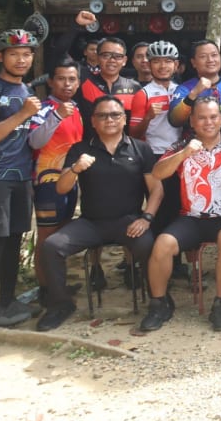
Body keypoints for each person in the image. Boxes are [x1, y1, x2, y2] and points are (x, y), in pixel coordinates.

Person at [36, 95, 163, 331]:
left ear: (124, 119)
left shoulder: (140, 148)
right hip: (91, 223)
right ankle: (60, 304)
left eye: (115, 115)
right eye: (102, 116)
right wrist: (75, 169)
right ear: (93, 121)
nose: (109, 120)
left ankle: (158, 303)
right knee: (52, 246)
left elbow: (156, 190)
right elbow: (61, 188)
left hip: (128, 222)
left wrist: (146, 218)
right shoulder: (80, 149)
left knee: (149, 245)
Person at [141, 97, 221, 332]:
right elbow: (158, 173)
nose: (208, 122)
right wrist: (183, 154)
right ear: (192, 121)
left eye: (213, 117)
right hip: (191, 217)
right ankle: (159, 304)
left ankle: (220, 305)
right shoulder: (181, 146)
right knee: (162, 244)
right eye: (201, 117)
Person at [0, 30, 43, 329]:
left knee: (14, 240)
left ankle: (8, 301)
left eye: (26, 54)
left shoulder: (26, 90)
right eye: (14, 54)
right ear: (0, 56)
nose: (21, 59)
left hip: (21, 177)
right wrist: (23, 114)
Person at [28, 58, 84, 304]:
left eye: (72, 79)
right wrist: (57, 116)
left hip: (69, 180)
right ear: (51, 81)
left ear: (79, 82)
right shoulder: (43, 109)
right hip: (47, 182)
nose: (67, 84)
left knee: (60, 234)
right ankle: (45, 289)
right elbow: (35, 142)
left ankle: (57, 285)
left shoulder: (76, 109)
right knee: (47, 237)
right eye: (61, 79)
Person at [130, 41, 183, 233]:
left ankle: (176, 249)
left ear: (176, 65)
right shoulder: (143, 94)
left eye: (168, 61)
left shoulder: (181, 91)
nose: (163, 66)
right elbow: (133, 134)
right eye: (157, 61)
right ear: (149, 64)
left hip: (179, 154)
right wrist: (148, 117)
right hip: (153, 154)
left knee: (179, 204)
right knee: (159, 207)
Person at [168, 40, 221, 137]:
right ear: (193, 62)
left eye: (214, 55)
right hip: (195, 145)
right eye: (203, 56)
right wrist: (194, 93)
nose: (210, 60)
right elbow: (175, 121)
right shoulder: (184, 89)